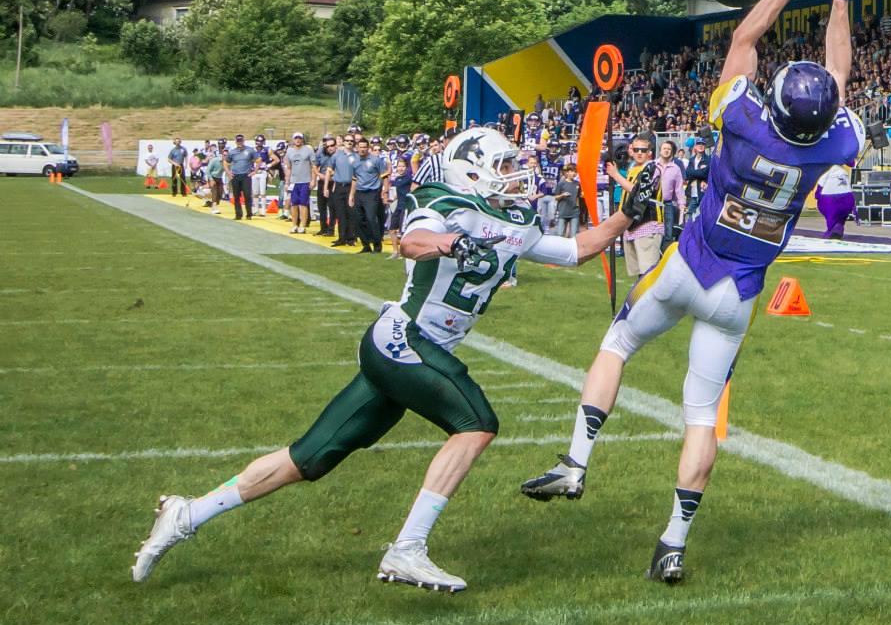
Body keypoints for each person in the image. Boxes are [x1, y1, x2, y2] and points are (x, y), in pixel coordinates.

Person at [132, 128, 655, 592]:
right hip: (401, 338)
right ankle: (407, 549)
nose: (516, 176)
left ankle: (187, 513)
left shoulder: (515, 219)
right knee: (476, 424)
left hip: (416, 350)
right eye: (503, 167)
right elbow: (411, 240)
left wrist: (629, 212)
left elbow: (576, 251)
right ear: (470, 171)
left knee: (308, 459)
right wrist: (451, 244)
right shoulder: (445, 203)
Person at [518, 0, 872, 584]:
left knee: (618, 341)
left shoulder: (741, 119)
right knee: (702, 416)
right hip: (737, 295)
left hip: (688, 263)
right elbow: (840, 77)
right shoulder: (829, 145)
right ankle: (674, 542)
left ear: (775, 100)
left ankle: (574, 461)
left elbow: (744, 40)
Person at [610, 135, 663, 280]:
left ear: (649, 153)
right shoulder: (632, 169)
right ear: (631, 151)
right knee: (640, 271)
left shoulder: (653, 168)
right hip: (632, 223)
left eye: (643, 150)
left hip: (647, 221)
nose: (639, 153)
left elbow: (638, 191)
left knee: (648, 272)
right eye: (636, 149)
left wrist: (616, 176)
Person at [350, 136, 389, 255]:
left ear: (368, 148)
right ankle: (366, 245)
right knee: (358, 220)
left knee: (371, 219)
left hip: (372, 192)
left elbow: (385, 175)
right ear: (357, 148)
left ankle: (377, 246)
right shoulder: (354, 161)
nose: (362, 150)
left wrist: (385, 191)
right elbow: (354, 179)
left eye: (364, 147)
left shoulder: (376, 160)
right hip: (359, 192)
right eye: (360, 147)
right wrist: (351, 195)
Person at [328, 138, 357, 248]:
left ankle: (351, 238)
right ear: (344, 142)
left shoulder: (356, 156)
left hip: (351, 186)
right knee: (340, 213)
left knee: (351, 213)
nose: (349, 142)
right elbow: (330, 169)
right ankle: (341, 238)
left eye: (351, 141)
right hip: (339, 186)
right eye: (347, 140)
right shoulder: (337, 155)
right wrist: (330, 184)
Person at [816, 164, 858, 240]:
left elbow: (821, 183)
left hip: (830, 198)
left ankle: (832, 229)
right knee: (840, 216)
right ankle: (838, 227)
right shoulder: (844, 172)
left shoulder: (827, 171)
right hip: (847, 198)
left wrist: (817, 194)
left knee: (831, 214)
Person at [285, 132, 316, 235]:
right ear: (293, 140)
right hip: (294, 181)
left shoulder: (308, 150)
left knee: (303, 203)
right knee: (294, 204)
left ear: (302, 139)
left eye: (299, 138)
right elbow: (288, 168)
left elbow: (313, 166)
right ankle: (294, 225)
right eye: (296, 138)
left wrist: (313, 180)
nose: (298, 140)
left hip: (305, 180)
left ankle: (303, 225)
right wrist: (287, 182)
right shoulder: (290, 151)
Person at [225, 134, 257, 220]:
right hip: (235, 176)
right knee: (236, 196)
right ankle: (238, 214)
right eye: (238, 141)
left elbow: (259, 160)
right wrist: (228, 172)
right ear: (235, 142)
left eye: (241, 141)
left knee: (247, 195)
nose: (239, 143)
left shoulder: (249, 150)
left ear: (243, 141)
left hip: (246, 175)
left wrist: (255, 171)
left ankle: (249, 214)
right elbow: (225, 162)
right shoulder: (232, 152)